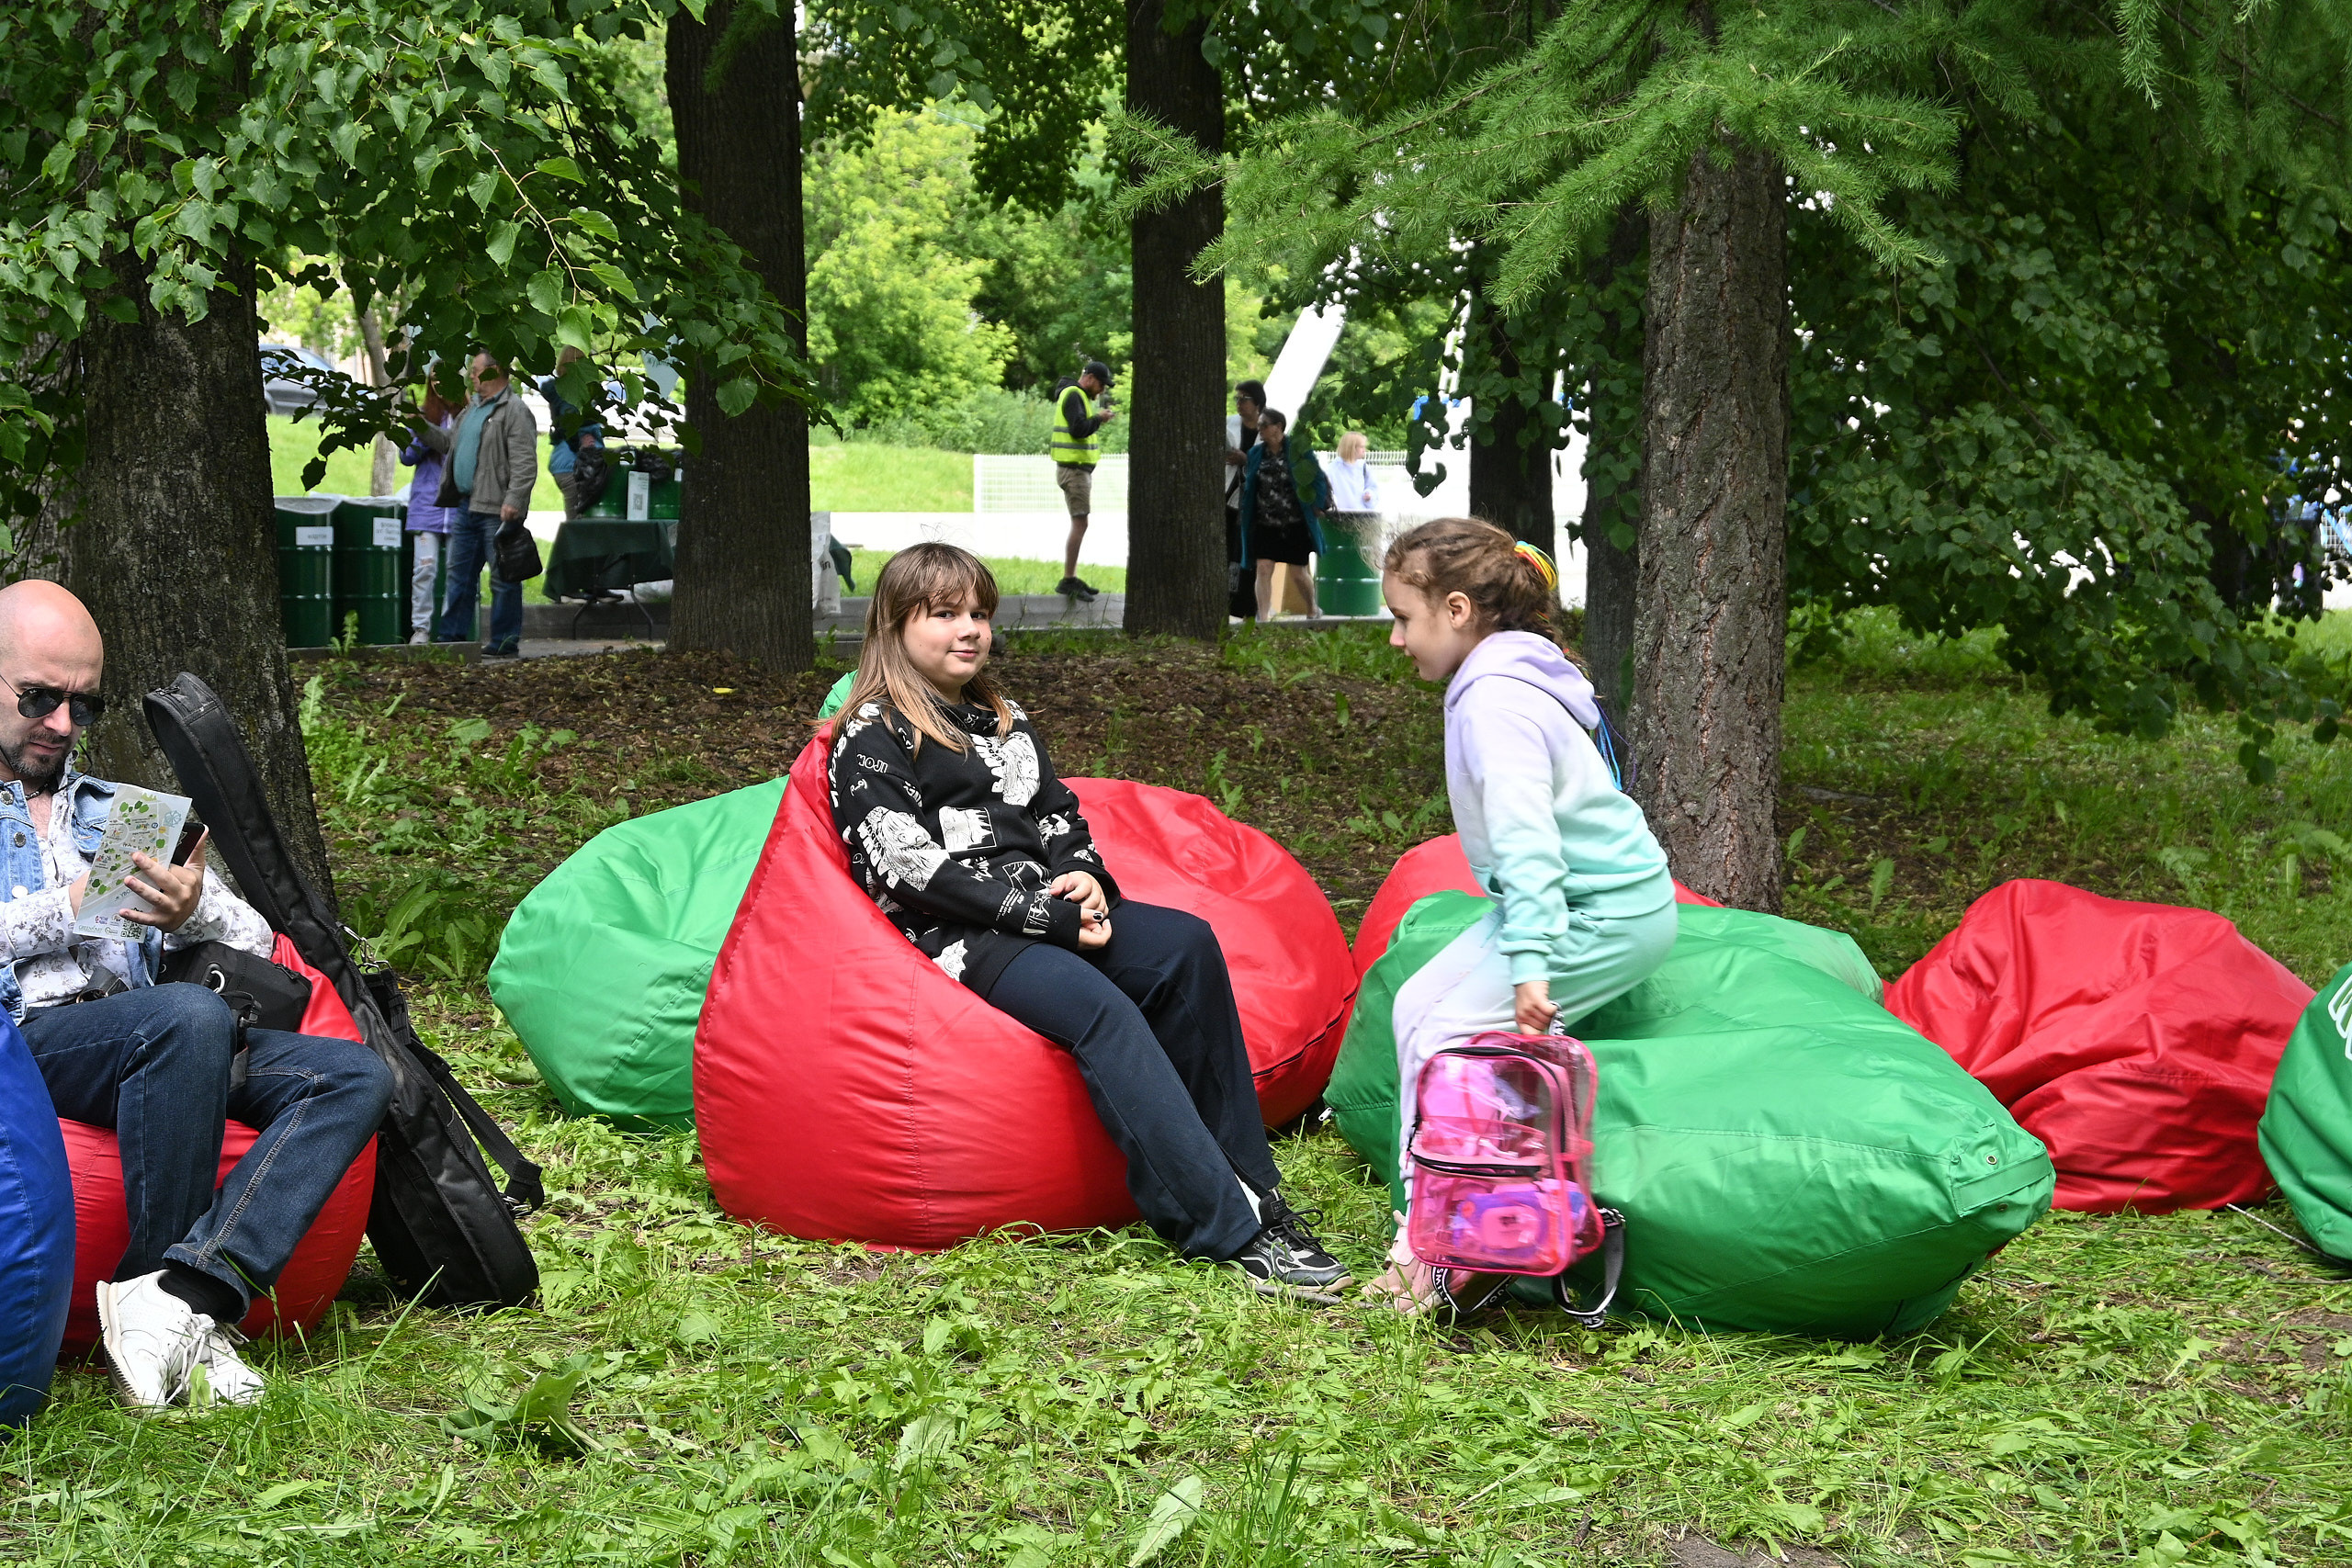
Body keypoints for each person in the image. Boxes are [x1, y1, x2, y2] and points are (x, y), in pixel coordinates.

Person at [825, 543, 1348, 1297]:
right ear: (894, 624)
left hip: (1044, 907)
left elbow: (1056, 811)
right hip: (957, 933)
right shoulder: (874, 730)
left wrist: (1085, 875)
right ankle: (1225, 1227)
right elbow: (908, 868)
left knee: (1185, 945)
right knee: (1102, 1008)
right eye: (943, 614)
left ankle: (1255, 1188)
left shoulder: (1002, 717)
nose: (969, 629)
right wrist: (1046, 917)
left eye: (979, 613)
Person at [0, 581, 393, 1409]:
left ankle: (183, 1297)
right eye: (39, 698)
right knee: (183, 1017)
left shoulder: (118, 812)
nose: (63, 724)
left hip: (160, 1039)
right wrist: (71, 906)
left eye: (83, 704)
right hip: (27, 1046)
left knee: (353, 1074)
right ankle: (158, 1302)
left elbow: (253, 941)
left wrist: (193, 908)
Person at [1365, 518, 1676, 1315]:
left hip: (1601, 910)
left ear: (1458, 609)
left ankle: (1445, 1244)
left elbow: (1529, 840)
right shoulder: (1503, 673)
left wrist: (1531, 963)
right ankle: (1434, 1214)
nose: (1395, 638)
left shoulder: (1496, 702)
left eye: (1403, 617)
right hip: (1574, 899)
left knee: (1448, 1032)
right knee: (1416, 1006)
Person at [417, 351, 537, 658]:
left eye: (475, 370)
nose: (470, 376)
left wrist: (515, 500)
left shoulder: (514, 410)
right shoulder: (472, 409)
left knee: (503, 578)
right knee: (458, 576)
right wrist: (420, 426)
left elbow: (525, 462)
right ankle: (451, 638)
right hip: (466, 506)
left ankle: (504, 642)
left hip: (497, 509)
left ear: (494, 371)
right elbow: (448, 443)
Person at [1238, 410, 1329, 621]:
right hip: (1265, 522)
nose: (1260, 429)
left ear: (1278, 427)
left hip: (1294, 523)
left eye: (1264, 425)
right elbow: (1251, 486)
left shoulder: (1299, 451)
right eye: (1259, 425)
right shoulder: (1255, 453)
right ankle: (1263, 618)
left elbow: (1317, 478)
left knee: (1298, 573)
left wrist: (1317, 504)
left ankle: (1312, 608)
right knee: (1263, 568)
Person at [1049, 359, 1117, 601]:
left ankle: (1071, 577)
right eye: (1101, 384)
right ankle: (1068, 579)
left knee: (1081, 523)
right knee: (1080, 524)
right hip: (1074, 471)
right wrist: (1099, 419)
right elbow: (1078, 429)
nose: (1102, 390)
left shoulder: (1077, 396)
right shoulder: (1074, 395)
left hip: (1076, 470)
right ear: (1089, 378)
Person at [399, 386, 459, 643]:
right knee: (425, 568)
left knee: (457, 572)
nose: (440, 385)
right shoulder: (422, 414)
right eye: (434, 379)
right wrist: (422, 431)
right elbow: (406, 456)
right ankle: (421, 629)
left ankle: (451, 630)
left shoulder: (467, 415)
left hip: (459, 506)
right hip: (427, 505)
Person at [539, 346, 605, 520]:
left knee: (577, 520)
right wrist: (580, 444)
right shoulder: (572, 391)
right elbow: (569, 420)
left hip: (563, 461)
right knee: (579, 524)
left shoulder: (558, 389)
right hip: (576, 466)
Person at [1224, 380, 1266, 620]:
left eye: (1244, 399)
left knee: (1248, 555)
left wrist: (1246, 459)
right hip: (1228, 497)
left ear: (1257, 403)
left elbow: (1275, 461)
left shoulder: (1269, 427)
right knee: (1226, 552)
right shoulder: (1228, 424)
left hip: (1255, 503)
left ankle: (1249, 609)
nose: (1239, 403)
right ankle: (1226, 605)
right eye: (1237, 399)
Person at [1328, 431, 1379, 514]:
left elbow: (1373, 488)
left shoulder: (1364, 467)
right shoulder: (1332, 469)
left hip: (1362, 515)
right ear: (1352, 448)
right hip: (1340, 515)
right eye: (1361, 447)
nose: (1364, 450)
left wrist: (1369, 495)